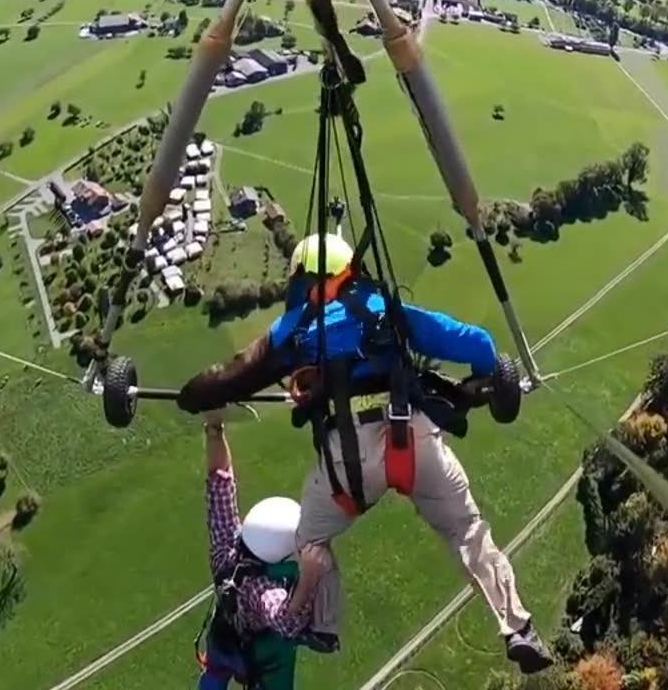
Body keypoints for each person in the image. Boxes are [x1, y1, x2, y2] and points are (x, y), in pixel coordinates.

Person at [179, 234, 554, 675]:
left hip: (346, 465)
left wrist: (191, 398)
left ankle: (322, 626)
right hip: (414, 441)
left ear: (304, 280)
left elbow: (228, 378)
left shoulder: (296, 329)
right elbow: (479, 346)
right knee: (467, 531)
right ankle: (517, 628)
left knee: (310, 542)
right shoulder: (387, 310)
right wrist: (488, 381)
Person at [197, 408, 340, 690]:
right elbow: (286, 622)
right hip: (262, 658)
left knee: (213, 677)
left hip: (222, 642)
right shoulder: (263, 589)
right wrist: (309, 576)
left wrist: (214, 427)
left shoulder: (227, 546)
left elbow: (219, 479)